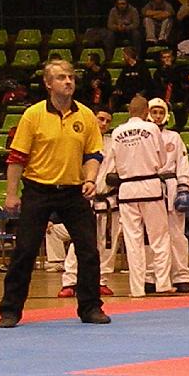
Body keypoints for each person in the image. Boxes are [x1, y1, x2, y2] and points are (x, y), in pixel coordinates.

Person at [0, 59, 110, 328]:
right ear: (48, 84)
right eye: (61, 77)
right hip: (38, 189)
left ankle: (91, 307)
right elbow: (17, 158)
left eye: (71, 77)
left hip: (73, 190)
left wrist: (90, 179)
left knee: (88, 250)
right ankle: (10, 310)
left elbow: (93, 154)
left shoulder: (86, 115)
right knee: (25, 251)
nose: (68, 81)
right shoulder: (33, 115)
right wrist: (11, 194)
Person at [103, 96, 174, 297]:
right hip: (150, 186)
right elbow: (162, 159)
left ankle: (136, 289)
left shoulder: (117, 132)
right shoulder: (151, 129)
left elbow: (113, 162)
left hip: (126, 189)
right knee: (159, 237)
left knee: (132, 240)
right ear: (146, 112)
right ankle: (163, 283)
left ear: (129, 111)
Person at [56, 106, 121, 298]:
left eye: (108, 121)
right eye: (101, 119)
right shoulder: (79, 139)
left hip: (109, 199)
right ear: (92, 118)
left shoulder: (114, 143)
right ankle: (70, 281)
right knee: (80, 241)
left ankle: (101, 280)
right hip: (85, 198)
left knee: (108, 243)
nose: (104, 123)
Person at [145, 98, 189, 293]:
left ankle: (181, 275)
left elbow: (182, 163)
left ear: (166, 115)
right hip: (150, 185)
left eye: (160, 112)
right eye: (154, 112)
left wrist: (184, 187)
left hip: (172, 186)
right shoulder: (143, 136)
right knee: (152, 235)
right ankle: (151, 276)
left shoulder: (174, 137)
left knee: (176, 235)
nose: (157, 116)